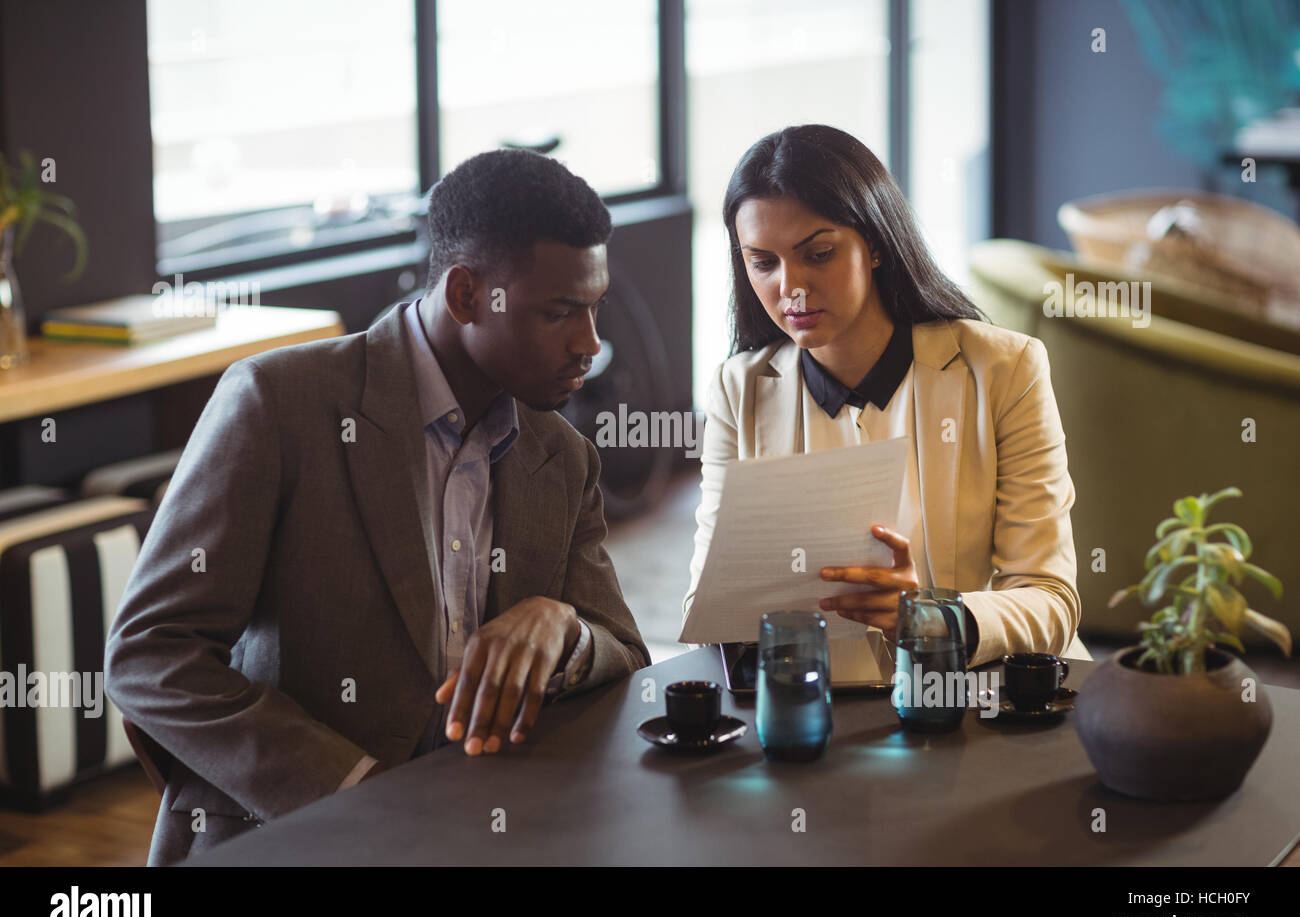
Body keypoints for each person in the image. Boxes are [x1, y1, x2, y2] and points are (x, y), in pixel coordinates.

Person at [105, 148, 649, 865]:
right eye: (560, 313)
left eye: (594, 306)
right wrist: (360, 793)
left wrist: (564, 626)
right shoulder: (278, 405)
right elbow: (150, 655)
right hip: (289, 840)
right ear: (464, 297)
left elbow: (623, 649)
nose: (591, 344)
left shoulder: (562, 454)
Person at [683, 125, 1086, 667]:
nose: (790, 287)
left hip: (974, 699)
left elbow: (1051, 601)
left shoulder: (1005, 370)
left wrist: (932, 619)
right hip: (812, 707)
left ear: (874, 244)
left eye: (818, 254)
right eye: (763, 262)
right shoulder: (739, 390)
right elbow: (705, 606)